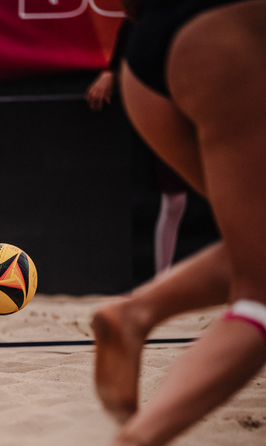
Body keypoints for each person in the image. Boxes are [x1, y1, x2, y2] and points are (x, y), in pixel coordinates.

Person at [92, 0, 266, 446]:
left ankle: (137, 311)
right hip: (222, 32)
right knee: (260, 290)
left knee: (256, 244)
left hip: (145, 52)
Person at [86, 16, 190, 274]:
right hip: (168, 100)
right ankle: (162, 278)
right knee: (175, 199)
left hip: (199, 99)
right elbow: (134, 24)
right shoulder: (149, 17)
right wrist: (111, 70)